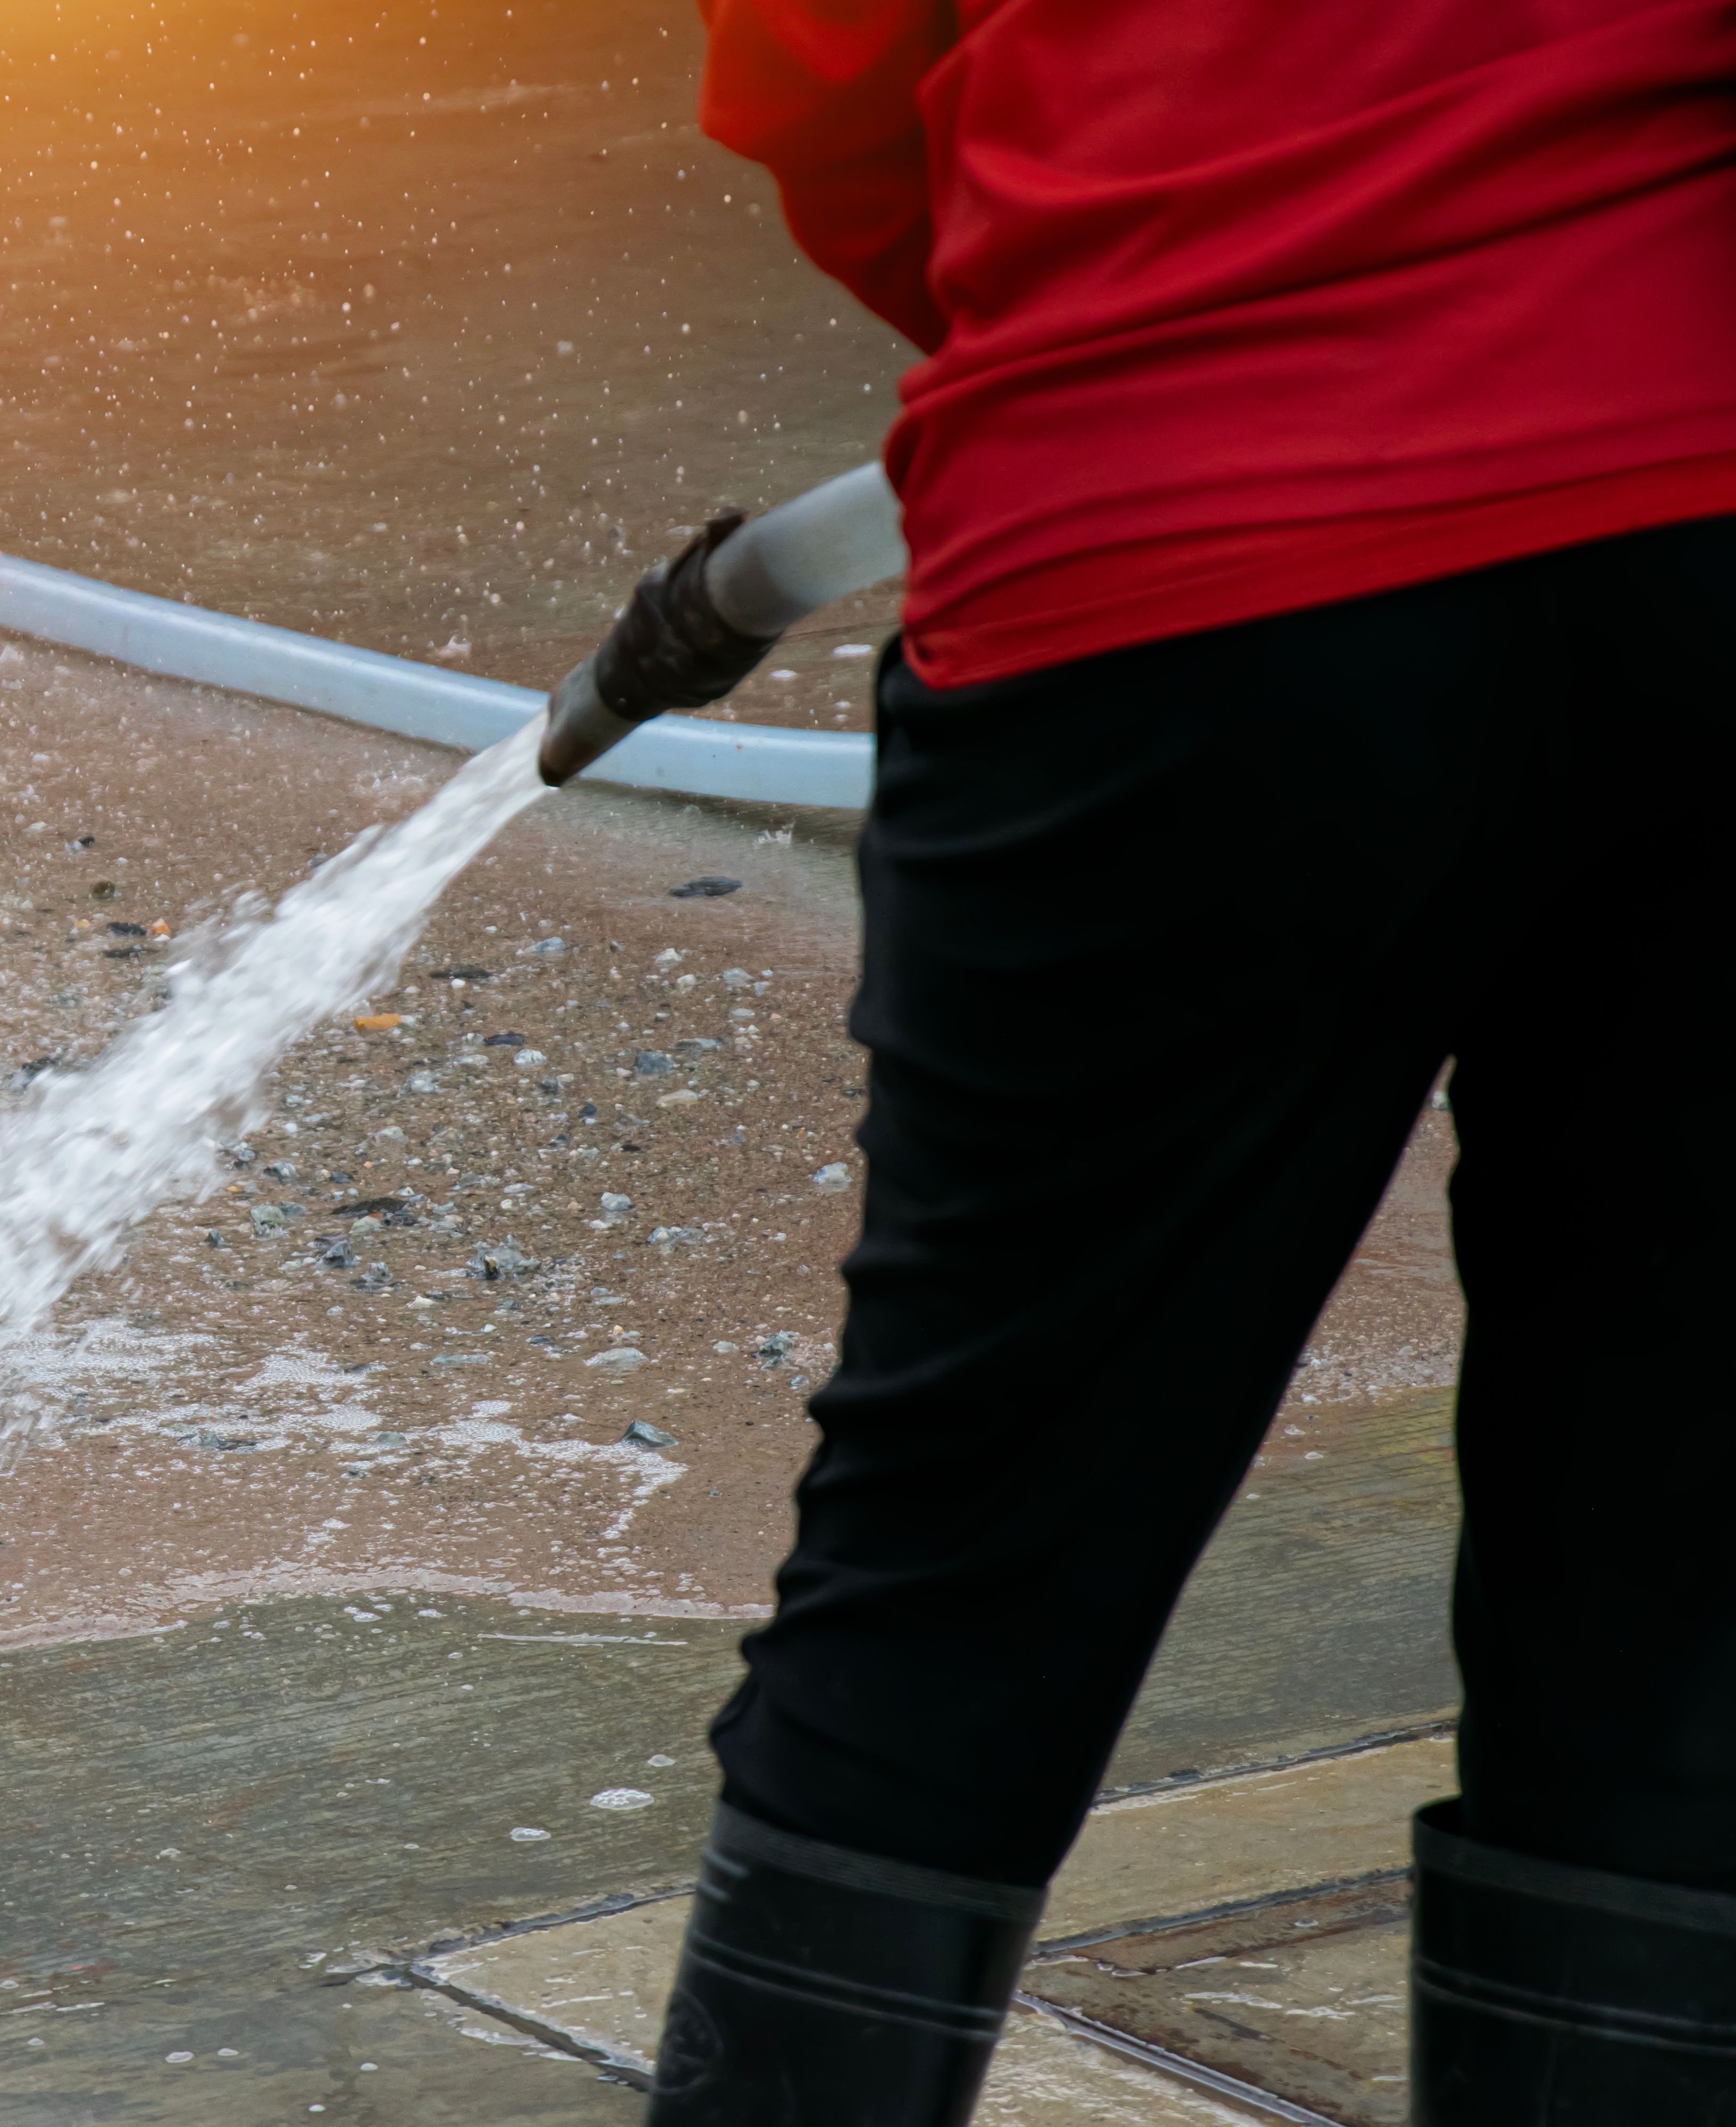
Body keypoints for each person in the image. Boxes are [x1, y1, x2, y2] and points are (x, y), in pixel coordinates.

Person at [540, 0, 1736, 2118]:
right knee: (1674, 1605)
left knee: (959, 1577)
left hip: (1167, 530)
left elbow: (816, 79)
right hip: (1692, 456)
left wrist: (1118, 272)